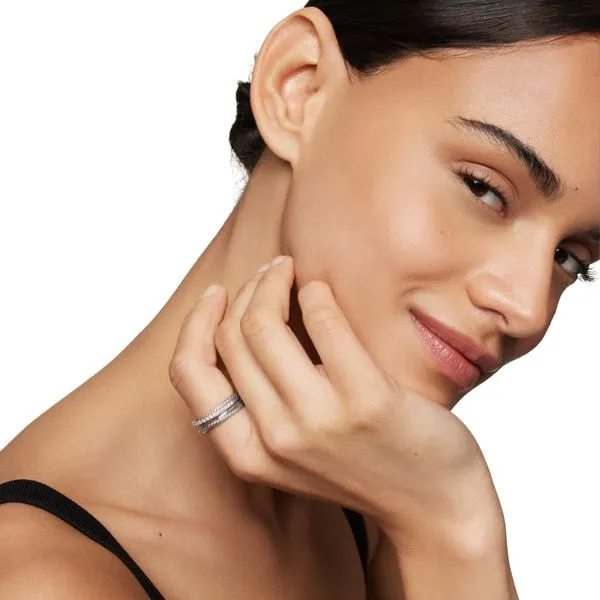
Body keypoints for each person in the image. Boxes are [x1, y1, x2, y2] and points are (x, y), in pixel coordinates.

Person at [1, 0, 599, 597]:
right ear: (298, 89)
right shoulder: (40, 579)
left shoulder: (383, 485)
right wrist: (454, 528)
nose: (528, 308)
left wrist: (443, 524)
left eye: (570, 257)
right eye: (484, 189)